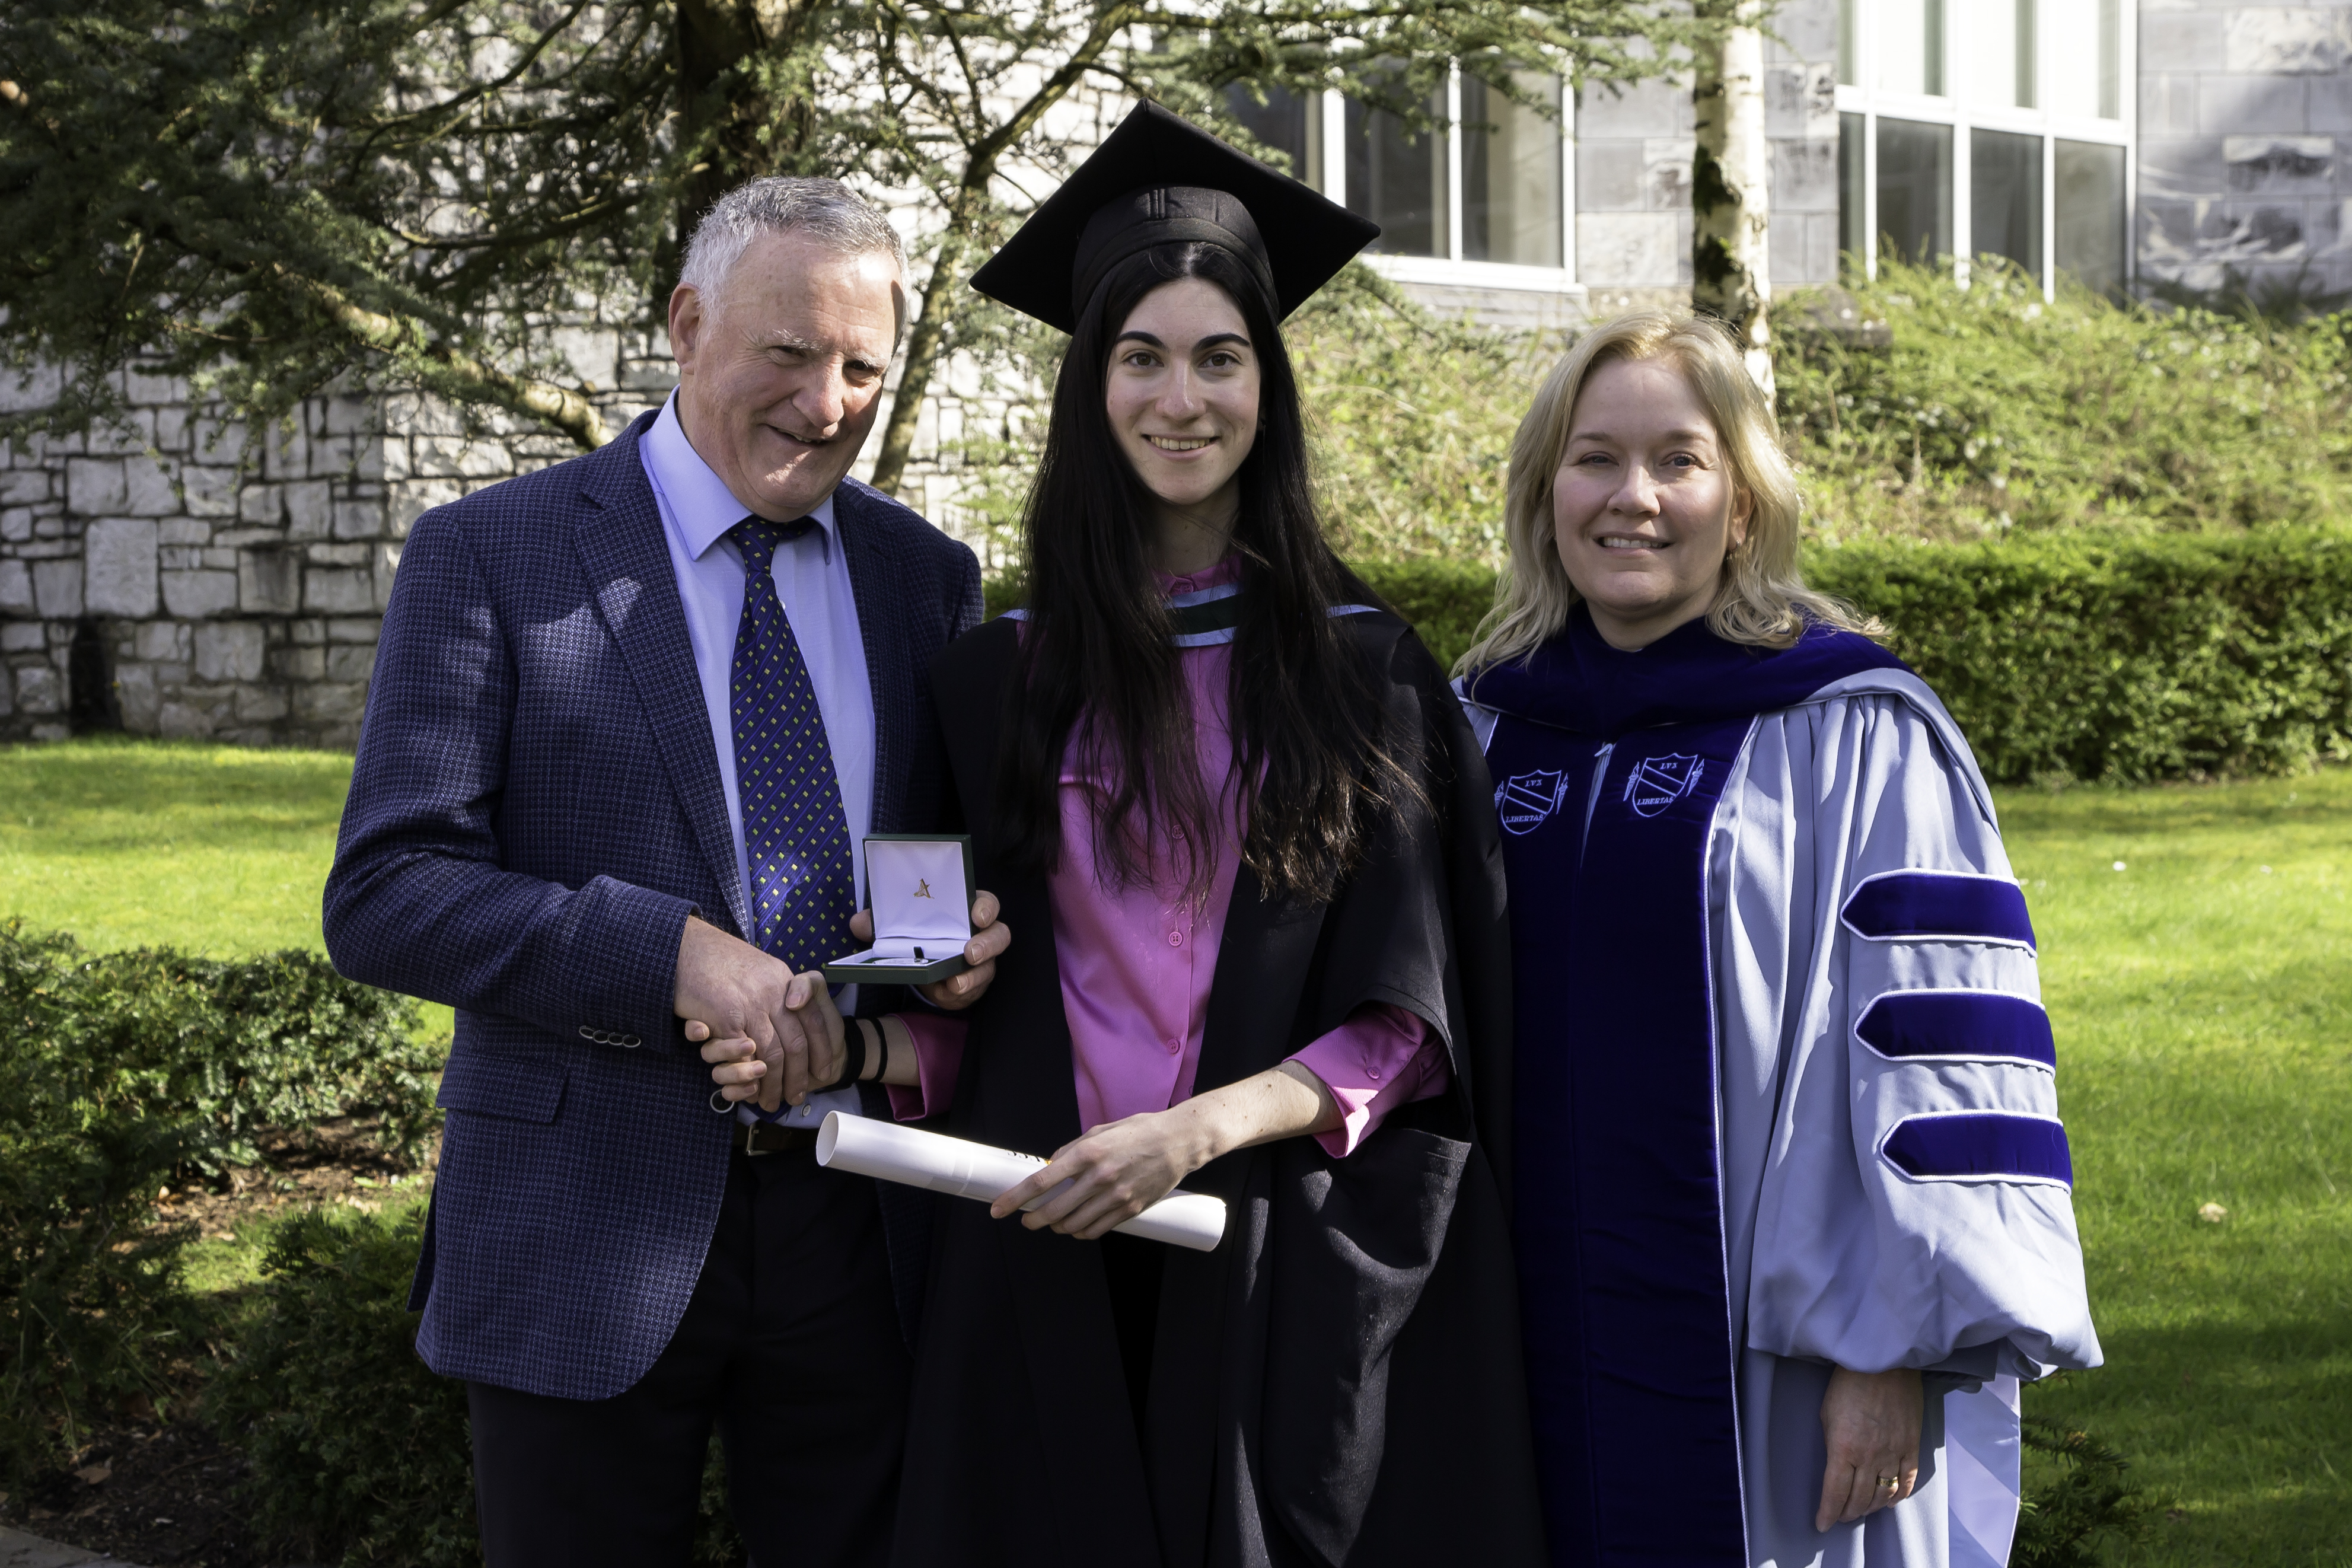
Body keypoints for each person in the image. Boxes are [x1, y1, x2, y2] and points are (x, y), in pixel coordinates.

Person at [711, 103, 1544, 1566]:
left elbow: (1415, 1020)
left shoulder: (1361, 670)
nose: (1183, 397)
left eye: (1221, 357)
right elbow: (965, 993)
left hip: (1274, 1251)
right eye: (1139, 356)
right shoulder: (996, 677)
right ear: (1090, 388)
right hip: (1041, 1246)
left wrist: (1194, 1131)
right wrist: (869, 1029)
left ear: (1265, 388)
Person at [322, 177, 1009, 1566]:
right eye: (791, 352)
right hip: (583, 1221)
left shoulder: (923, 576)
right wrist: (672, 952)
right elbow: (388, 888)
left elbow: (922, 860)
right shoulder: (492, 554)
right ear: (688, 325)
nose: (829, 402)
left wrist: (951, 937)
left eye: (864, 365)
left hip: (856, 1218)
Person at [1455, 312, 2101, 1567]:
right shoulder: (1479, 728)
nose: (1632, 497)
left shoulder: (1852, 732)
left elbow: (1939, 1052)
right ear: (1544, 495)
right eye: (1593, 459)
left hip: (1782, 1354)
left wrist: (1892, 1344)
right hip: (1512, 1342)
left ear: (1743, 503)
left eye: (1679, 460)